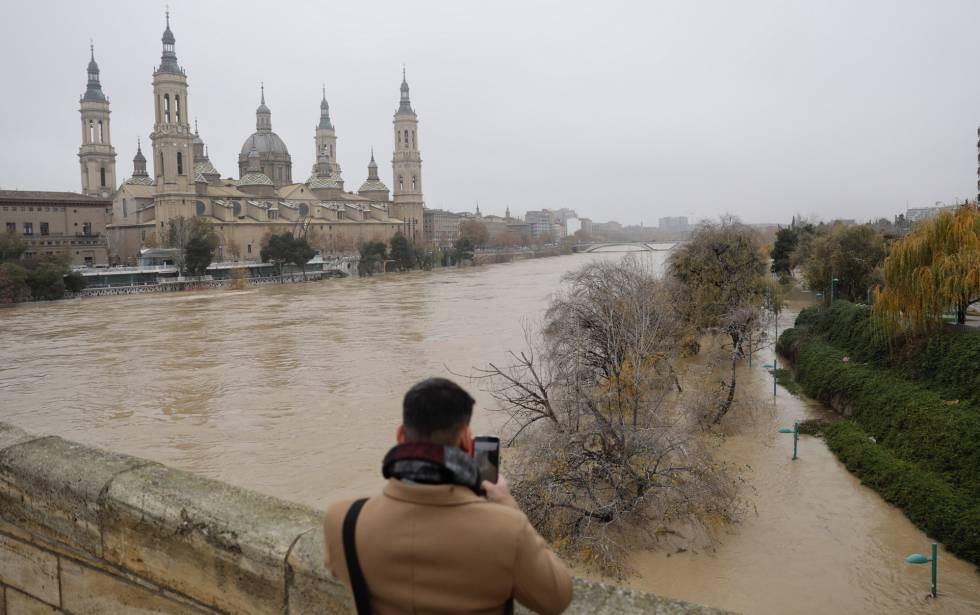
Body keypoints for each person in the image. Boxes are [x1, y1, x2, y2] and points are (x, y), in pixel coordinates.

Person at [324, 377, 573, 614]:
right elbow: (557, 598)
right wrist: (505, 503)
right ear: (466, 438)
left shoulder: (342, 521)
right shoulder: (507, 529)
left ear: (401, 435)